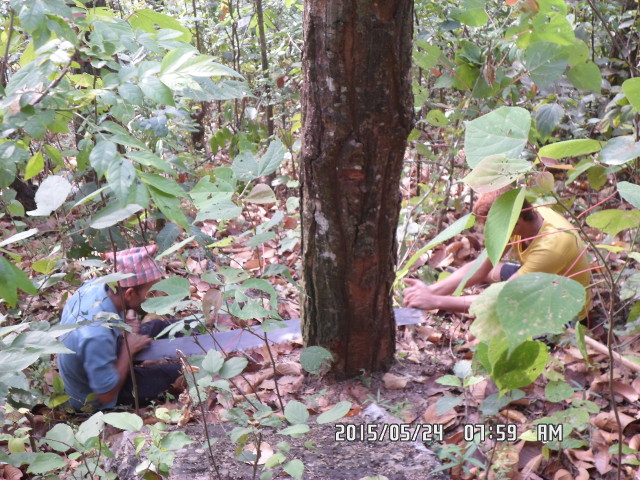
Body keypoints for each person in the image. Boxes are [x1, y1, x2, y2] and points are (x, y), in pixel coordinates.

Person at [403, 188, 591, 319]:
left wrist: (436, 301)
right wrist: (429, 291)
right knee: (494, 270)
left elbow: (503, 299)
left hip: (564, 309)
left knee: (500, 316)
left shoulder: (551, 247)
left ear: (515, 223)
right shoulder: (524, 215)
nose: (491, 234)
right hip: (543, 280)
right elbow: (480, 266)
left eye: (493, 228)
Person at [58, 245, 182, 411]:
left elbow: (124, 299)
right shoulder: (96, 334)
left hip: (105, 350)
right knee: (179, 372)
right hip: (94, 398)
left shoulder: (97, 287)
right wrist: (128, 350)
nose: (156, 297)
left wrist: (127, 318)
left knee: (160, 326)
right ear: (129, 294)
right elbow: (105, 395)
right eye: (151, 293)